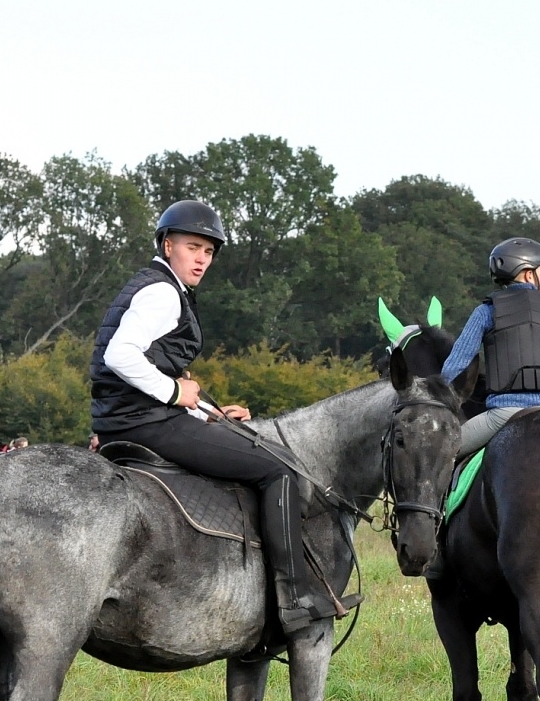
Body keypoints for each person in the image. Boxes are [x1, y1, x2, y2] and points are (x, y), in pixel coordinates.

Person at [90, 200, 354, 634]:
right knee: (280, 470)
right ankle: (293, 599)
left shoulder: (160, 287)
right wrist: (176, 391)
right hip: (145, 422)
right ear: (167, 244)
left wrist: (211, 411)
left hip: (135, 416)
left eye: (209, 252)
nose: (201, 259)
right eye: (193, 247)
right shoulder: (161, 292)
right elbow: (121, 356)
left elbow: (154, 370)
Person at [438, 237, 540, 457]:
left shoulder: (486, 311)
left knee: (441, 454)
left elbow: (452, 369)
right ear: (529, 274)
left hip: (503, 414)